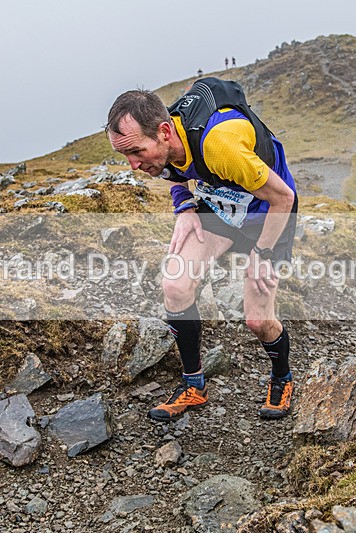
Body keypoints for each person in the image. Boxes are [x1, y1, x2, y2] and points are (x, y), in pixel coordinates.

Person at [106, 80, 298, 422]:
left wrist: (263, 254)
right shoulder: (166, 139)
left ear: (165, 132)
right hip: (220, 204)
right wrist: (184, 207)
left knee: (257, 319)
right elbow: (172, 168)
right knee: (175, 285)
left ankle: (282, 377)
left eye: (136, 152)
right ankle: (194, 385)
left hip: (268, 211)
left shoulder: (222, 147)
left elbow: (283, 197)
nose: (133, 165)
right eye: (124, 155)